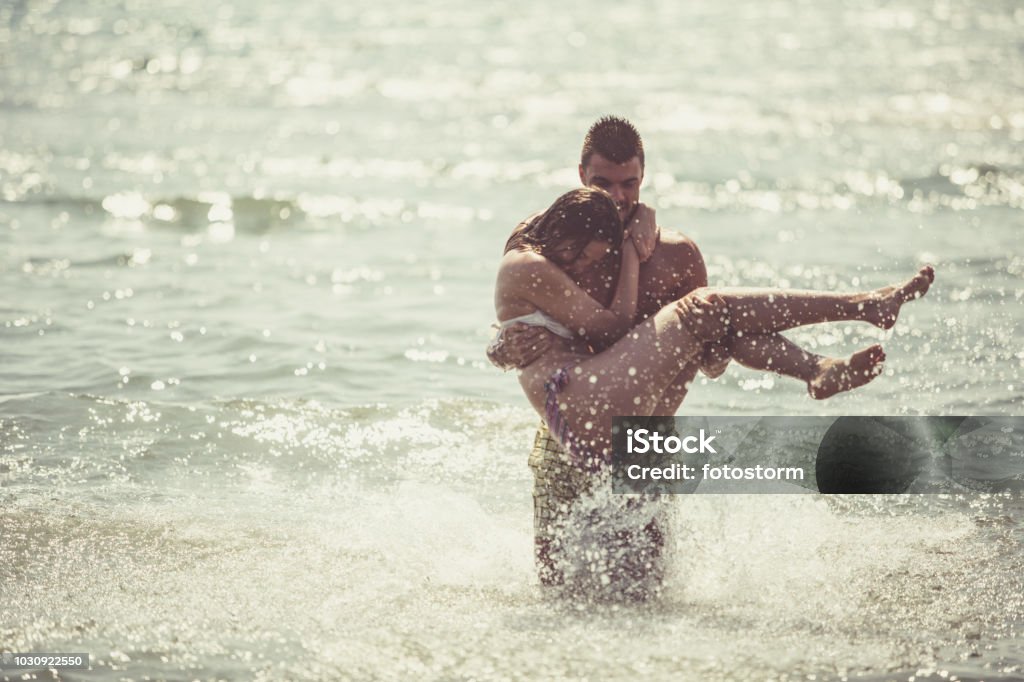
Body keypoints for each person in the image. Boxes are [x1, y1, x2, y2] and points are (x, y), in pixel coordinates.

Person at [494, 186, 934, 596]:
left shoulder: (665, 253)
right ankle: (860, 310)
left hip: (621, 419)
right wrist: (629, 254)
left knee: (645, 594)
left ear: (642, 179)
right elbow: (610, 327)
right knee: (702, 308)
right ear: (569, 205)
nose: (579, 268)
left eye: (628, 184)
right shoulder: (529, 261)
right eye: (576, 255)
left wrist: (706, 345)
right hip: (577, 410)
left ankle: (821, 369)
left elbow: (713, 362)